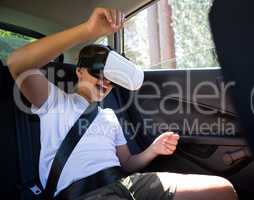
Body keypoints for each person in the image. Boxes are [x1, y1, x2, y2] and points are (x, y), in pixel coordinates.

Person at [7, 7, 238, 200]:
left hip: (127, 186)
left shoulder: (109, 115)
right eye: (98, 71)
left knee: (223, 190)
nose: (105, 81)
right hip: (80, 194)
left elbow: (127, 163)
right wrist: (87, 31)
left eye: (111, 77)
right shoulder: (55, 102)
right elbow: (17, 63)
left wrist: (153, 150)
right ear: (79, 71)